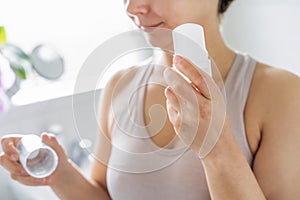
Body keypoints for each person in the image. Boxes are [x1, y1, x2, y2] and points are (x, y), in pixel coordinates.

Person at [1, 0, 300, 199]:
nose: (133, 7)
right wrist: (60, 174)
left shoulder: (280, 95)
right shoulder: (120, 85)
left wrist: (216, 147)